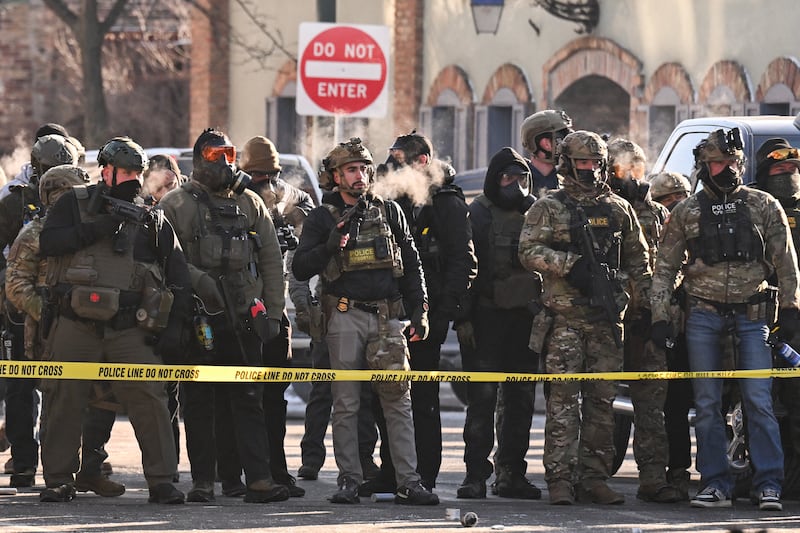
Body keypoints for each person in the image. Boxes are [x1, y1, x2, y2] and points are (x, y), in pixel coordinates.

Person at [651, 128, 799, 511]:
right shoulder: (686, 211)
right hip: (703, 314)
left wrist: (791, 308)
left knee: (759, 401)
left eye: (733, 161)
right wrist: (661, 315)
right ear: (704, 166)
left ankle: (769, 484)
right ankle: (715, 483)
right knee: (707, 403)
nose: (728, 169)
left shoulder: (764, 205)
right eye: (719, 162)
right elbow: (665, 268)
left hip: (753, 315)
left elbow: (786, 263)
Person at [38, 136, 191, 504]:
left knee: (149, 398)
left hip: (129, 327)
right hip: (75, 323)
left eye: (136, 172)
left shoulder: (151, 217)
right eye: (124, 171)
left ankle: (161, 481)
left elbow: (178, 273)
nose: (131, 179)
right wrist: (98, 228)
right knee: (62, 399)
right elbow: (49, 244)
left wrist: (176, 327)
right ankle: (59, 479)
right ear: (105, 171)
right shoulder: (72, 205)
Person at [292, 137, 438, 505]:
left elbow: (412, 264)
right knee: (346, 402)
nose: (360, 176)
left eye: (363, 168)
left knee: (397, 401)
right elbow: (300, 266)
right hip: (344, 315)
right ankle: (349, 480)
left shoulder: (390, 211)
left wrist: (419, 311)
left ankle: (408, 480)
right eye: (351, 169)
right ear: (336, 176)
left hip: (388, 318)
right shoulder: (323, 217)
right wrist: (330, 244)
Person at [518, 130, 652, 505]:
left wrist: (650, 308)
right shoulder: (550, 207)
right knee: (563, 404)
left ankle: (594, 476)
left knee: (602, 404)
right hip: (565, 320)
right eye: (582, 163)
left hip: (606, 320)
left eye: (595, 163)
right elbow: (527, 250)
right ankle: (560, 479)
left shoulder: (617, 208)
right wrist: (567, 265)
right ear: (567, 164)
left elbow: (640, 262)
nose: (590, 170)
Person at [159, 128, 290, 504]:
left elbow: (270, 259)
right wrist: (199, 282)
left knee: (249, 398)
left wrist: (274, 315)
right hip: (199, 318)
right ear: (200, 158)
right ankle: (203, 482)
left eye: (230, 154)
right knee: (198, 400)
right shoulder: (176, 204)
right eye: (218, 154)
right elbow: (167, 258)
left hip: (245, 317)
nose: (226, 162)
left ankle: (260, 479)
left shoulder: (250, 202)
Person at [5, 164, 125, 497]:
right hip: (50, 332)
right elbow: (15, 285)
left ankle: (91, 469)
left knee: (103, 398)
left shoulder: (95, 231)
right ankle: (59, 477)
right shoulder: (36, 234)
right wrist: (52, 316)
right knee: (60, 402)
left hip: (99, 328)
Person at [367, 131, 477, 493]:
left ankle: (424, 472)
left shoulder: (445, 203)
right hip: (389, 311)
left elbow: (463, 262)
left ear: (422, 161)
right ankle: (392, 469)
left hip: (427, 316)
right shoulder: (388, 201)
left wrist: (442, 313)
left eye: (400, 157)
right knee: (388, 395)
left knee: (423, 399)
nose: (392, 165)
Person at [212, 134, 316, 498]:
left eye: (270, 175)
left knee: (274, 397)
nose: (264, 183)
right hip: (238, 310)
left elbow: (308, 233)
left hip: (272, 309)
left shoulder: (286, 197)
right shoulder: (229, 197)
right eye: (257, 176)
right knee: (234, 396)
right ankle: (230, 474)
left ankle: (275, 471)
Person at [455, 147, 540, 501]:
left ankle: (511, 474)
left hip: (524, 320)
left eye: (521, 179)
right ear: (494, 179)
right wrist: (463, 319)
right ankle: (476, 473)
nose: (515, 185)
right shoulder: (478, 214)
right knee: (483, 400)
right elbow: (465, 268)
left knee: (521, 400)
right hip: (486, 319)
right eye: (508, 178)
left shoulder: (536, 213)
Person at [0, 133, 78, 485]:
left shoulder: (82, 199)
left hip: (68, 306)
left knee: (68, 386)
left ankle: (65, 463)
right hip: (21, 306)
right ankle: (24, 459)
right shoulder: (12, 203)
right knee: (21, 384)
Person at [606, 139, 681, 503]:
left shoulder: (659, 214)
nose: (631, 175)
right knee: (598, 405)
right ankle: (590, 475)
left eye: (637, 167)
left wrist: (658, 311)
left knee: (652, 408)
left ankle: (653, 477)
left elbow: (673, 265)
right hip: (606, 323)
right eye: (622, 169)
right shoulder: (599, 210)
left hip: (647, 322)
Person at [753, 138, 800, 498]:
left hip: (795, 323)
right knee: (760, 404)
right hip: (758, 319)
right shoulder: (753, 207)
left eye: (793, 167)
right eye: (779, 168)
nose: (789, 172)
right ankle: (764, 480)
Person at [648, 170, 694, 498]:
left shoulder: (704, 225)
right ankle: (671, 471)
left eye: (682, 198)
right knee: (669, 406)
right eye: (668, 201)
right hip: (664, 327)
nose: (676, 206)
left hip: (699, 327)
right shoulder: (651, 232)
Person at [519, 109, 574, 197]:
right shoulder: (518, 183)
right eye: (561, 139)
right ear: (546, 144)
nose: (566, 144)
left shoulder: (567, 182)